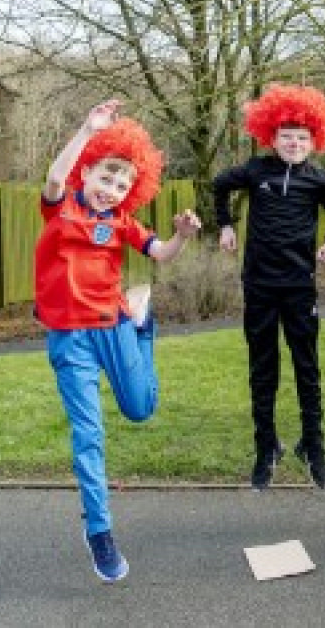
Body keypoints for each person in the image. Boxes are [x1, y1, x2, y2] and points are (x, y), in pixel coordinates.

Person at [35, 99, 201, 582]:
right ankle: (100, 533)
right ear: (87, 172)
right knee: (89, 435)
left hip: (114, 324)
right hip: (71, 340)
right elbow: (53, 174)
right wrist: (87, 129)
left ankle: (143, 325)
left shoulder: (123, 222)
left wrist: (182, 236)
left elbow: (163, 255)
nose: (112, 189)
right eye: (106, 177)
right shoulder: (60, 204)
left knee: (140, 409)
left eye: (123, 184)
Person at [214, 84, 325, 492]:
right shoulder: (256, 170)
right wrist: (225, 225)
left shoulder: (319, 180)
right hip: (259, 285)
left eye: (303, 137)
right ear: (271, 137)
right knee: (263, 369)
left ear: (315, 140)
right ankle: (265, 445)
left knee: (307, 368)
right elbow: (220, 183)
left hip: (299, 287)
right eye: (286, 136)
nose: (294, 143)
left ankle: (313, 444)